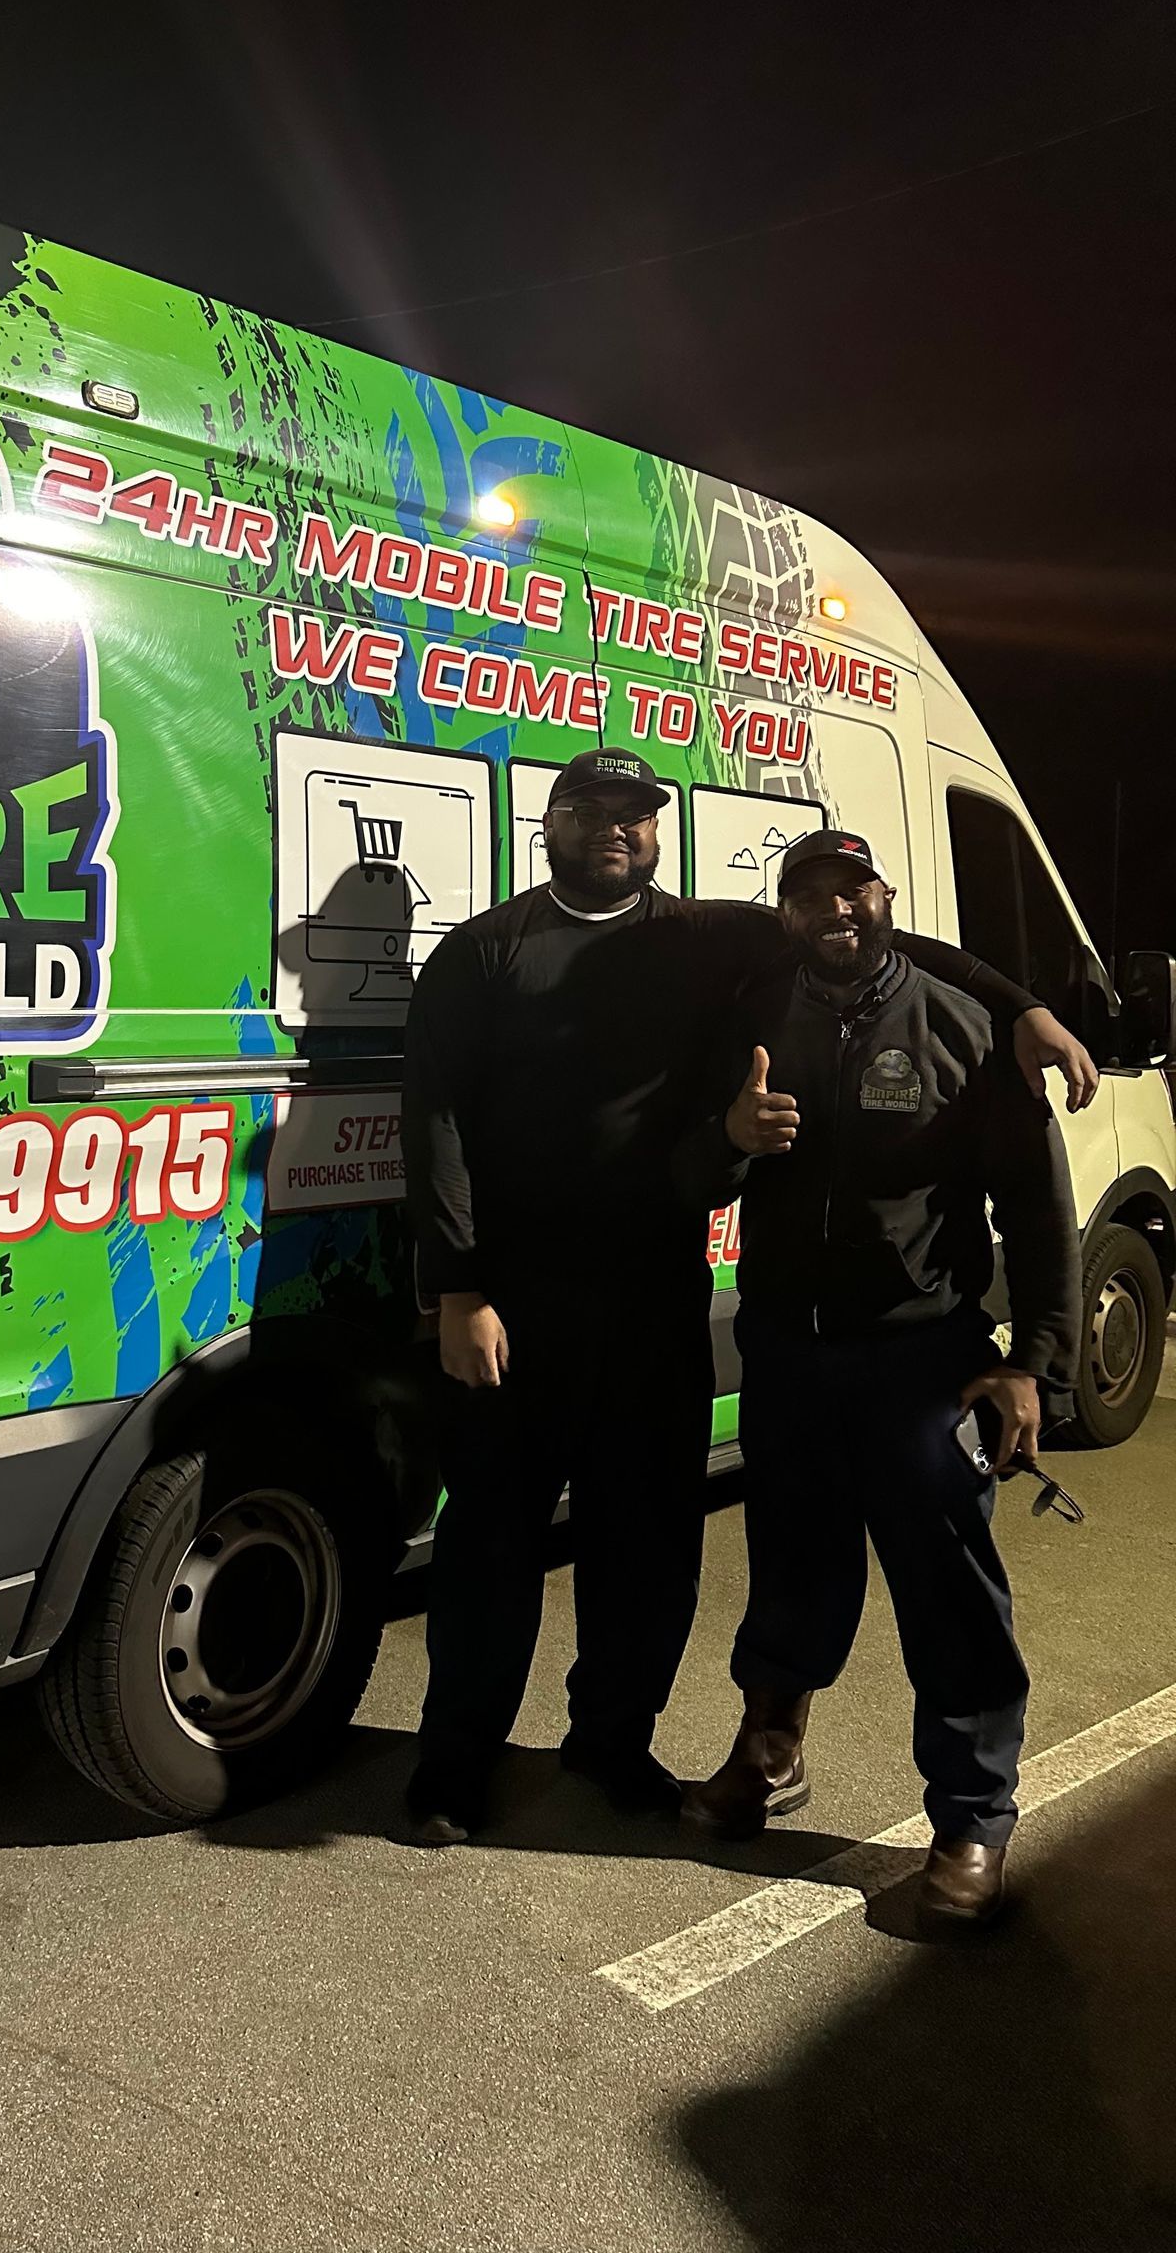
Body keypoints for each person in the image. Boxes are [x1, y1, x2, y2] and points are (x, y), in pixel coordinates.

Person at [400, 750, 1095, 1847]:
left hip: (662, 1299)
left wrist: (1021, 1008)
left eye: (634, 814)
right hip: (516, 1304)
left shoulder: (703, 935)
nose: (615, 830)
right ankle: (452, 1768)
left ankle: (613, 1742)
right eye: (591, 812)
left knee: (646, 1547)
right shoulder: (485, 951)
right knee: (491, 1547)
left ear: (656, 832)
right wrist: (460, 1285)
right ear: (553, 824)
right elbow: (432, 1118)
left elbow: (868, 941)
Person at [677, 827, 1078, 1930]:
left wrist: (1032, 1364)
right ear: (788, 913)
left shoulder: (964, 1027)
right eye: (809, 897)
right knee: (791, 1569)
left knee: (949, 1596)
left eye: (851, 891)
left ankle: (970, 1819)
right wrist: (730, 1136)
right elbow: (691, 1161)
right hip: (790, 1356)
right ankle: (769, 1752)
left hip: (924, 1362)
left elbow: (1038, 1212)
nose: (833, 912)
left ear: (884, 895)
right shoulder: (757, 1011)